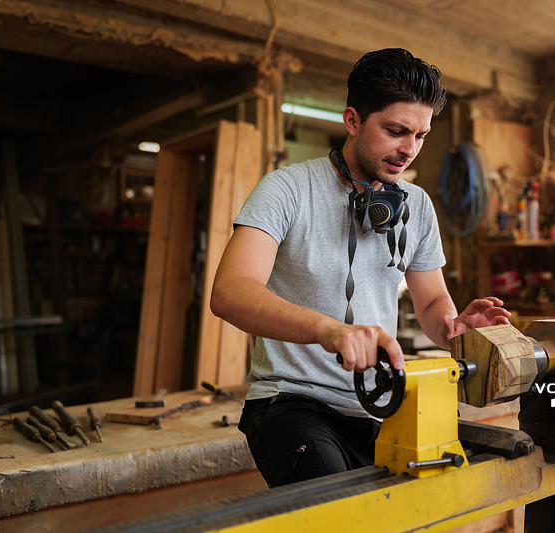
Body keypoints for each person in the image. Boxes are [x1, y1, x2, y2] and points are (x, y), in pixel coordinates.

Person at [210, 48, 511, 488]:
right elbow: (230, 291)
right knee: (342, 515)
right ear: (352, 121)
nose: (409, 150)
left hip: (380, 403)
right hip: (292, 402)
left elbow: (430, 301)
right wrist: (330, 330)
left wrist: (452, 326)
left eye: (421, 135)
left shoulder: (418, 206)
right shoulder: (286, 189)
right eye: (395, 131)